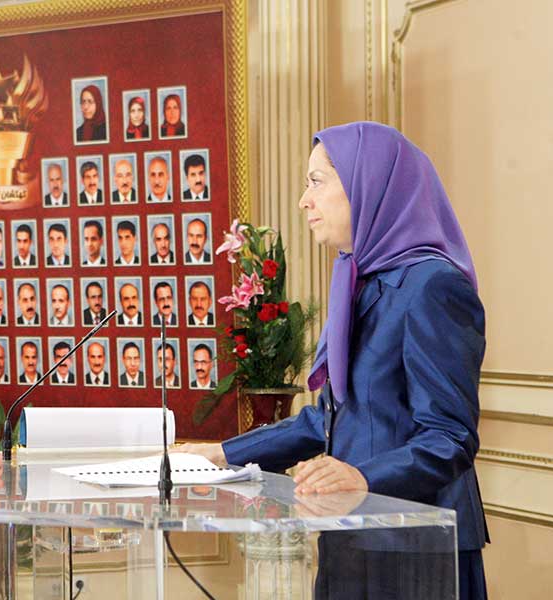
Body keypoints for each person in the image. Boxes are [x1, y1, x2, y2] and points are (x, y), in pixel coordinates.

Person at [179, 122, 488, 599]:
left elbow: (450, 437)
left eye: (317, 181)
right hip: (351, 536)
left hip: (415, 551)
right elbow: (329, 419)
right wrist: (221, 454)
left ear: (367, 185)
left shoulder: (432, 286)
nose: (304, 200)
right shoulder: (356, 279)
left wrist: (363, 476)